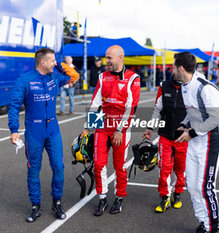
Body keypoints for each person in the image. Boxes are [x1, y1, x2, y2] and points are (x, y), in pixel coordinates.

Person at [8, 48, 79, 222]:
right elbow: (14, 106)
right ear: (43, 62)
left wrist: (61, 65)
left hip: (53, 130)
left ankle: (57, 202)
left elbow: (74, 76)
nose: (55, 63)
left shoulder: (54, 76)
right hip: (34, 131)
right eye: (53, 60)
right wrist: (14, 130)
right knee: (33, 170)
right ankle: (35, 206)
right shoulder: (24, 80)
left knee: (59, 167)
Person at [80, 45, 140, 216]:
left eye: (109, 58)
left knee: (119, 166)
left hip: (121, 127)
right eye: (106, 58)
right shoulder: (102, 76)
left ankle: (119, 198)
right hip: (103, 126)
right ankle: (102, 198)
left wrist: (120, 130)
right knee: (98, 164)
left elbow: (131, 108)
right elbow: (95, 103)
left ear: (120, 58)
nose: (106, 61)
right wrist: (87, 126)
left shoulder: (133, 78)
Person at [174, 52, 219, 233]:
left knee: (205, 187)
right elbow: (192, 111)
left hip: (209, 142)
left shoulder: (205, 87)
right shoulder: (185, 85)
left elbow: (218, 117)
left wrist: (193, 132)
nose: (172, 70)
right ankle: (204, 222)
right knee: (192, 186)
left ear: (180, 68)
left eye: (173, 67)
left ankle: (213, 226)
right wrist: (183, 124)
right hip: (194, 141)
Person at [142, 74, 188, 213]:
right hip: (165, 136)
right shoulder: (164, 86)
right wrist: (150, 128)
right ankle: (165, 197)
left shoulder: (191, 87)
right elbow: (157, 109)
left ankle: (177, 193)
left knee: (180, 168)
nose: (172, 70)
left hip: (184, 137)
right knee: (164, 167)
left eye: (175, 67)